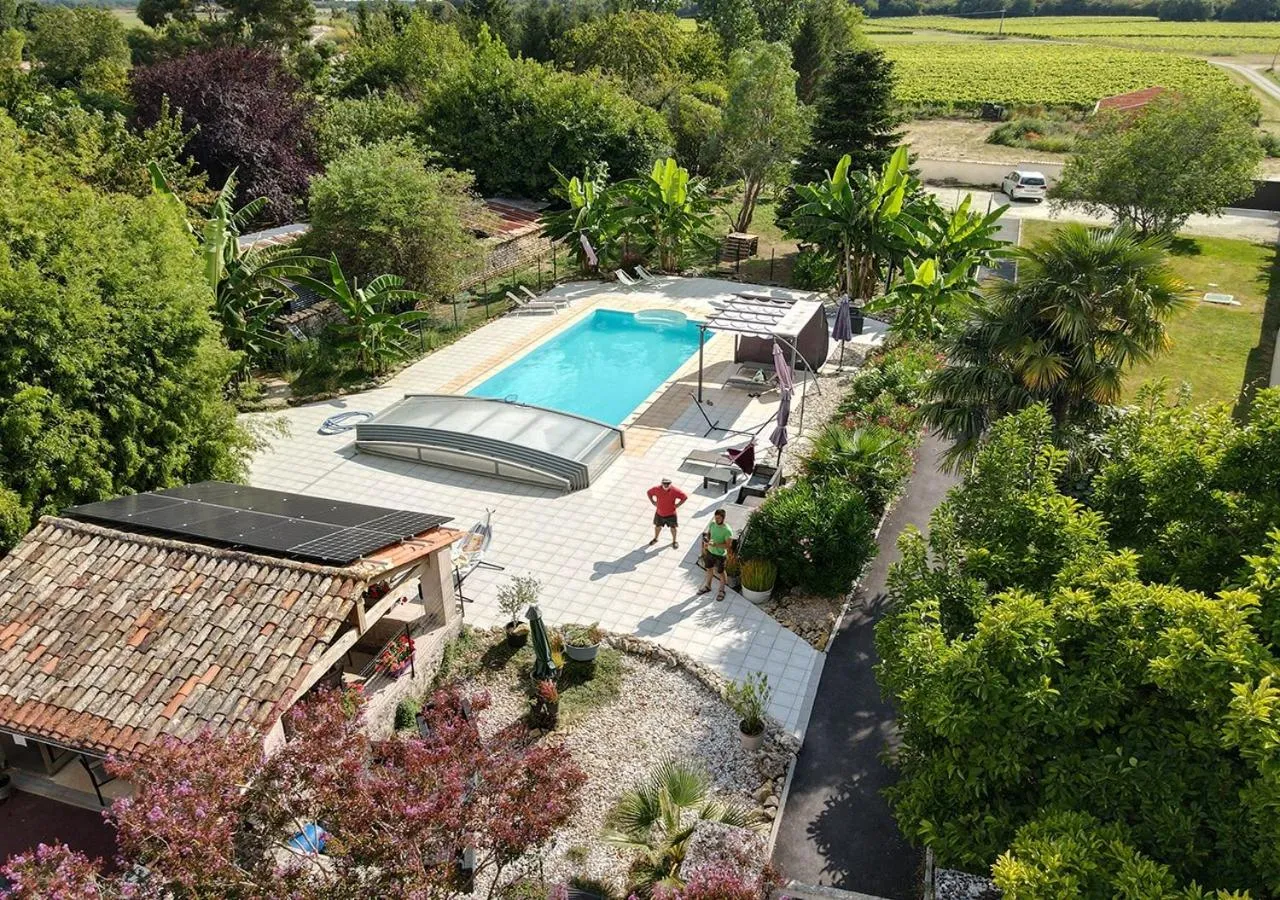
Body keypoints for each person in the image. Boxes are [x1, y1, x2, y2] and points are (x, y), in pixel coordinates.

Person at [699, 508, 734, 601]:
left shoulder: (727, 530)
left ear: (723, 518)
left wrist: (716, 545)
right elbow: (709, 534)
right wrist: (707, 540)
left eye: (718, 518)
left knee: (721, 572)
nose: (716, 520)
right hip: (710, 552)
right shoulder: (712, 524)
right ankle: (708, 586)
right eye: (715, 518)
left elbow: (728, 546)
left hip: (720, 555)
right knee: (709, 569)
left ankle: (722, 591)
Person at [647, 477, 687, 548]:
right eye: (664, 483)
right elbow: (649, 492)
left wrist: (677, 505)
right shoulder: (656, 489)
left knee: (673, 528)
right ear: (661, 483)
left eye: (668, 483)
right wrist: (653, 502)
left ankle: (674, 541)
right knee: (657, 527)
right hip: (659, 513)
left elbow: (684, 497)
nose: (666, 485)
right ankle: (655, 538)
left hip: (671, 514)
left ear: (670, 484)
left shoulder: (675, 490)